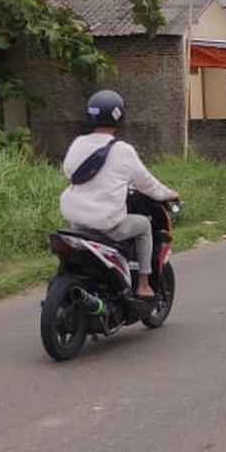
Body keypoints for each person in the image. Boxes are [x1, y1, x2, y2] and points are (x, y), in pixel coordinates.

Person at [60, 90, 178, 301]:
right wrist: (168, 194)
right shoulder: (122, 150)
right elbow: (147, 184)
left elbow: (68, 171)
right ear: (120, 117)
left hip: (76, 224)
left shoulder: (78, 143)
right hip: (106, 226)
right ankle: (143, 284)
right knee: (143, 225)